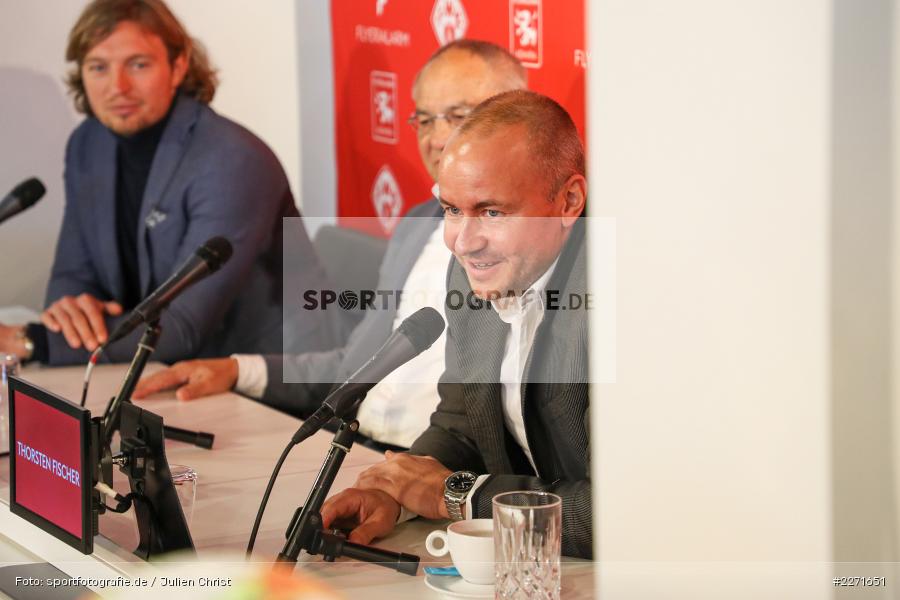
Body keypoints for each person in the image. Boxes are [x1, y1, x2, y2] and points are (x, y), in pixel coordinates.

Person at [133, 40, 528, 451]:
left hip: (437, 470)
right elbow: (353, 366)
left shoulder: (538, 242)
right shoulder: (416, 226)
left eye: (459, 116)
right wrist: (236, 370)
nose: (437, 137)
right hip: (348, 447)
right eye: (425, 120)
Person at [319, 90, 593, 559]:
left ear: (568, 201)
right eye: (451, 210)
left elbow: (630, 509)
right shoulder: (476, 269)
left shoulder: (621, 299)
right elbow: (464, 424)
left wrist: (459, 495)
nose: (463, 242)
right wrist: (394, 494)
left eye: (492, 212)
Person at [0, 0, 338, 365]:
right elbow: (71, 276)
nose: (118, 86)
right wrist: (72, 313)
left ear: (178, 67)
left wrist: (30, 341)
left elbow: (180, 328)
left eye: (138, 65)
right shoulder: (88, 145)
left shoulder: (231, 160)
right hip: (154, 373)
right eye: (98, 67)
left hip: (268, 385)